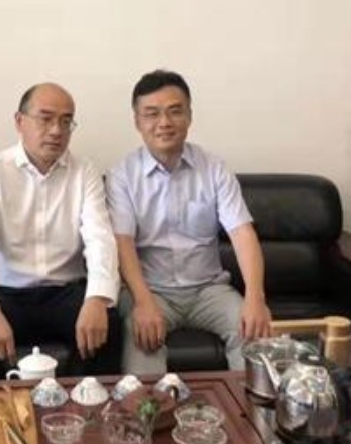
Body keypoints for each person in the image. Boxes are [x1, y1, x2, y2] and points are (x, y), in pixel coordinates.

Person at [0, 82, 122, 396]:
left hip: (64, 292)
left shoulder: (84, 172)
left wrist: (97, 299)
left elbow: (100, 239)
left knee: (108, 324)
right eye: (45, 119)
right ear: (20, 121)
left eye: (66, 121)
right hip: (7, 294)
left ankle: (90, 416)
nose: (56, 130)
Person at [106, 69, 273, 375]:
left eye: (174, 111)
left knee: (253, 336)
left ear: (189, 116)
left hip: (209, 290)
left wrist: (255, 297)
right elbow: (123, 244)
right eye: (152, 113)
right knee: (142, 338)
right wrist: (142, 301)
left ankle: (249, 407)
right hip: (151, 290)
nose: (164, 122)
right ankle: (150, 408)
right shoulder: (122, 176)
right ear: (137, 121)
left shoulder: (214, 169)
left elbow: (242, 233)